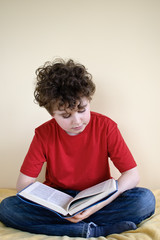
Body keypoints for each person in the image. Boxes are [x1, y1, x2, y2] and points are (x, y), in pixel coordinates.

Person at [0, 58, 155, 238]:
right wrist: (59, 209)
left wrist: (97, 205)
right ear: (52, 114)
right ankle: (89, 230)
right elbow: (23, 185)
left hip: (98, 199)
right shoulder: (43, 133)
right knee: (7, 208)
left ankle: (77, 224)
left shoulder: (106, 127)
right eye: (66, 115)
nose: (77, 121)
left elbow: (132, 174)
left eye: (82, 110)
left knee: (145, 200)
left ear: (89, 100)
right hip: (58, 202)